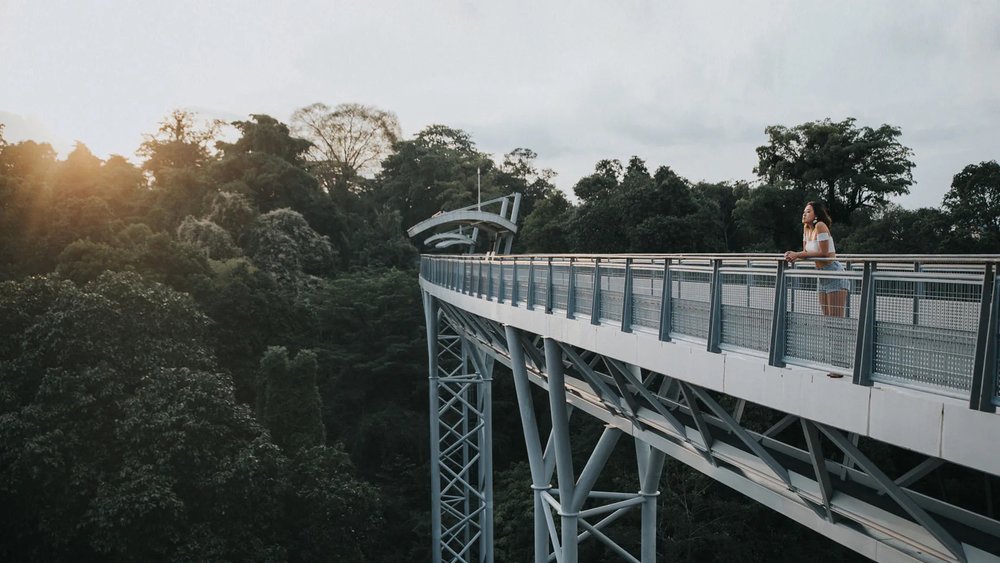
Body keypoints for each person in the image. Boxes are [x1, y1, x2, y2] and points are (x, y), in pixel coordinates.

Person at [783, 201, 849, 317]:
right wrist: (792, 255)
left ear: (816, 215)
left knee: (836, 319)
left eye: (808, 212)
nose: (804, 214)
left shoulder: (820, 226)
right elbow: (806, 252)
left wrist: (797, 254)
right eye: (804, 212)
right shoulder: (806, 229)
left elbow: (824, 253)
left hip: (833, 273)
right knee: (827, 318)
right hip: (821, 275)